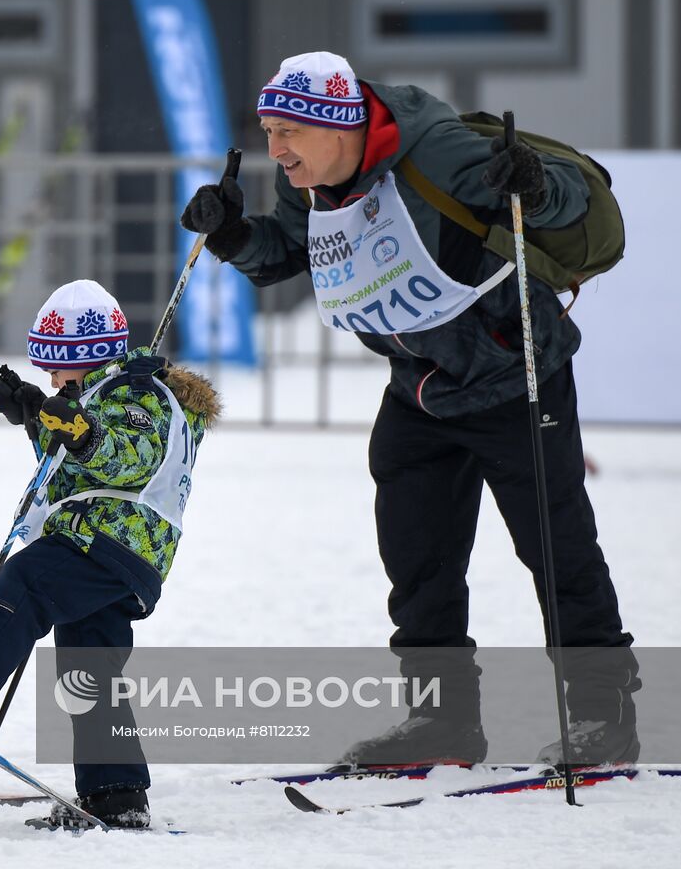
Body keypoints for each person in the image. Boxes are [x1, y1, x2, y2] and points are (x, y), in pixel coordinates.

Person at [181, 51, 639, 767]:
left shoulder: (441, 152)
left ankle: (603, 714)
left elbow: (567, 203)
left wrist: (536, 183)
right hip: (418, 385)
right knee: (418, 558)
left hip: (513, 373)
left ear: (338, 125)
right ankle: (441, 720)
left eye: (288, 132)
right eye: (267, 132)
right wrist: (233, 236)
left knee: (556, 549)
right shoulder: (308, 182)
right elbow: (289, 256)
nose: (276, 150)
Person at [0, 279, 219, 828]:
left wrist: (81, 433)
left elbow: (122, 459)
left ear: (89, 360)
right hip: (113, 551)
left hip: (109, 543)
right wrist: (33, 415)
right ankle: (117, 796)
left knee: (26, 582)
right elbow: (70, 453)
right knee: (89, 671)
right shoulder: (97, 395)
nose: (51, 378)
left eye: (56, 370)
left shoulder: (140, 396)